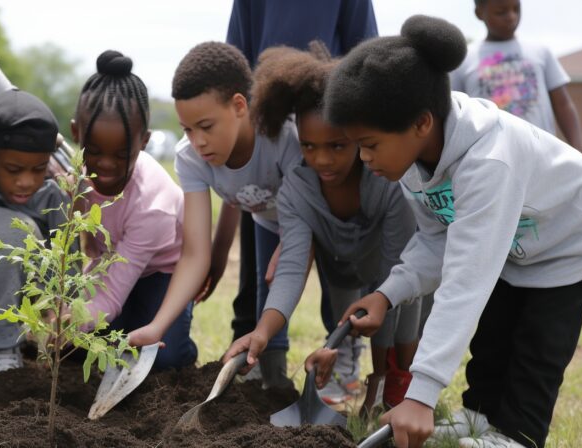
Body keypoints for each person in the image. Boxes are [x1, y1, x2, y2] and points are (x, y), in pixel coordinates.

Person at [326, 15, 582, 448]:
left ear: (421, 124)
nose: (364, 158)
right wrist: (388, 294)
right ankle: (479, 416)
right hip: (512, 246)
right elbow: (436, 237)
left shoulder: (489, 161)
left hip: (568, 244)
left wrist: (420, 395)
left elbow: (465, 280)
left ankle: (517, 436)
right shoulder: (414, 164)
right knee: (492, 343)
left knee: (535, 351)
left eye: (370, 144)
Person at [221, 42, 421, 410]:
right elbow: (294, 265)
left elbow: (394, 275)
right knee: (348, 308)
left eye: (337, 146)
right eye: (310, 146)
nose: (322, 160)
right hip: (341, 266)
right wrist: (262, 332)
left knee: (405, 320)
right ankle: (372, 380)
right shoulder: (298, 188)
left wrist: (382, 379)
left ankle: (398, 381)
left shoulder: (387, 181)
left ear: (358, 138)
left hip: (400, 269)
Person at [128, 42, 302, 388]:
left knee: (336, 292)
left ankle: (350, 371)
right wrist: (157, 326)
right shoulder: (191, 158)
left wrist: (293, 243)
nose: (198, 141)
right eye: (188, 129)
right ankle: (273, 379)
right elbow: (195, 251)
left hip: (319, 219)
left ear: (239, 106)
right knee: (267, 294)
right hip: (269, 222)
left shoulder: (284, 137)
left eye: (206, 126)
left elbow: (305, 217)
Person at [221, 0, 379, 352]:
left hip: (328, 123)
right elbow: (238, 58)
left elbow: (365, 50)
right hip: (270, 125)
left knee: (340, 259)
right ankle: (264, 358)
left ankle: (342, 350)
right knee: (266, 262)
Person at [69, 50, 197, 370]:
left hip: (162, 273)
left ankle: (183, 348)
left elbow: (110, 298)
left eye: (122, 154)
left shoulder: (152, 206)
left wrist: (71, 325)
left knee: (159, 359)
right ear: (76, 134)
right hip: (112, 268)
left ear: (144, 142)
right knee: (88, 350)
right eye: (94, 151)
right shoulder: (73, 182)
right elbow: (88, 255)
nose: (106, 165)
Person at [0, 89, 68, 378]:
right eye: (14, 169)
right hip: (4, 283)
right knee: (1, 231)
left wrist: (62, 308)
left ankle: (29, 337)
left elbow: (71, 258)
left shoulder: (57, 191)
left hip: (45, 289)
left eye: (38, 169)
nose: (26, 182)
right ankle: (3, 347)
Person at [450, 0, 582, 153]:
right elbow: (455, 114)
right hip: (490, 157)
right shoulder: (465, 59)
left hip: (542, 154)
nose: (511, 16)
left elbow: (563, 104)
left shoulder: (540, 52)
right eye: (501, 12)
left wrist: (579, 149)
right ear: (479, 13)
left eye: (516, 9)